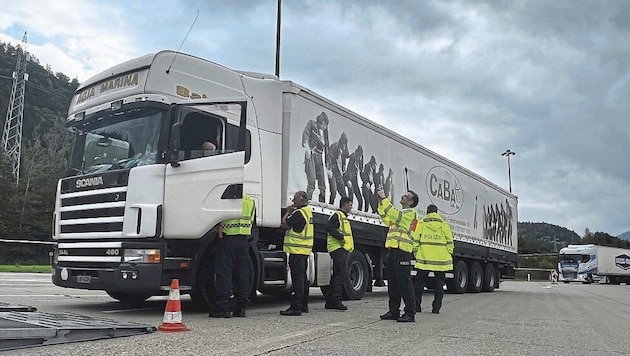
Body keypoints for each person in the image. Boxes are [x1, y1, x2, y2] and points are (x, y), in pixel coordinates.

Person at [209, 193, 256, 318]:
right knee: (242, 275)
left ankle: (223, 308)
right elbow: (252, 220)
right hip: (244, 240)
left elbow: (218, 219)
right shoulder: (250, 201)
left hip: (227, 239)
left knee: (224, 273)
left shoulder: (229, 198)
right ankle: (241, 308)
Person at [377, 188, 419, 323]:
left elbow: (394, 216)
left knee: (404, 283)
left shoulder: (410, 213)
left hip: (403, 251)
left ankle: (410, 313)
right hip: (394, 250)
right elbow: (386, 218)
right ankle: (394, 311)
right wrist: (380, 203)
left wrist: (384, 199)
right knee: (393, 283)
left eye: (406, 196)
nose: (402, 196)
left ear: (410, 201)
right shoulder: (401, 213)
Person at [413, 204, 454, 314]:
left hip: (424, 259)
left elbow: (415, 241)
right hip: (441, 261)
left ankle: (417, 306)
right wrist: (447, 253)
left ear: (427, 212)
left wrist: (417, 254)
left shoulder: (421, 224)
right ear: (437, 212)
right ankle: (436, 308)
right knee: (439, 285)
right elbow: (450, 243)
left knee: (419, 284)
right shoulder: (444, 226)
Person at [280, 191, 314, 316]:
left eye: (294, 199)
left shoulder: (299, 213)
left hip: (297, 251)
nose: (293, 201)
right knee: (303, 279)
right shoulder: (308, 211)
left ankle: (296, 307)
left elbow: (284, 224)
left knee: (297, 280)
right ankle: (304, 305)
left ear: (301, 199)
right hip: (304, 250)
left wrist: (288, 212)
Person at [325, 197, 354, 311]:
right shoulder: (337, 215)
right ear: (345, 204)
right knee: (342, 274)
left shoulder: (343, 217)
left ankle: (330, 301)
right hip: (337, 248)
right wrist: (340, 237)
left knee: (337, 274)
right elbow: (329, 228)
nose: (351, 207)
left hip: (342, 249)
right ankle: (336, 300)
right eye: (350, 205)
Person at [302, 112, 330, 203]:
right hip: (312, 155)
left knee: (322, 184)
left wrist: (328, 167)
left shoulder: (325, 133)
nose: (325, 127)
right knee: (312, 181)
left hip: (320, 158)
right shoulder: (312, 124)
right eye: (324, 124)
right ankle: (307, 202)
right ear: (321, 122)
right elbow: (306, 133)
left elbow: (327, 149)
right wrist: (306, 146)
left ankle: (322, 203)